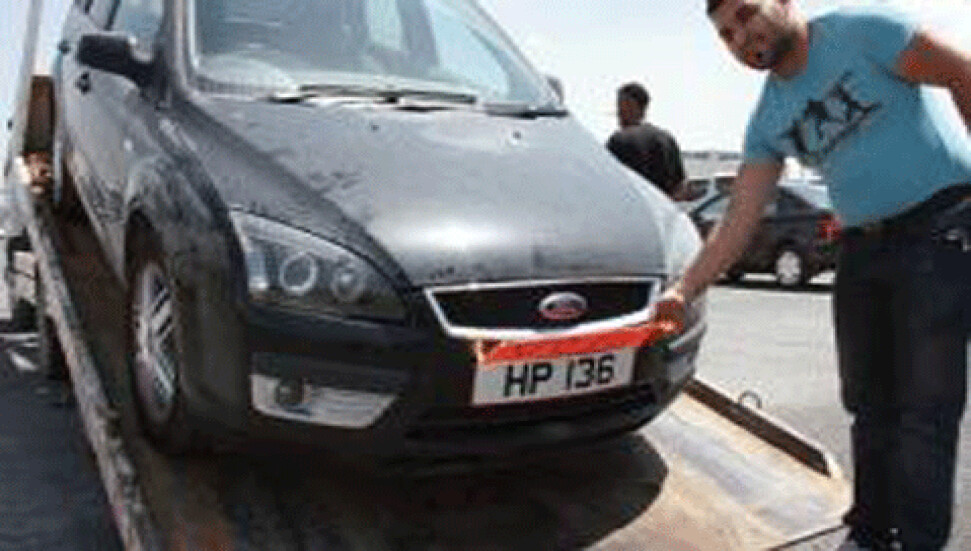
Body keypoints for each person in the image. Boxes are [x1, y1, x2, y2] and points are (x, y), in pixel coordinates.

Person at [649, 1, 971, 549]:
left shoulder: (864, 33)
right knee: (867, 406)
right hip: (861, 248)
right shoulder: (769, 118)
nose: (741, 37)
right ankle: (869, 533)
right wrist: (685, 289)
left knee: (925, 411)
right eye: (726, 34)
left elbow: (962, 72)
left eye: (747, 14)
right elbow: (737, 222)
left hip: (938, 229)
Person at [606, 82, 688, 199]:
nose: (618, 113)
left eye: (621, 107)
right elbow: (680, 186)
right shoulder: (667, 139)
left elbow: (608, 182)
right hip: (662, 207)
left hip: (632, 206)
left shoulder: (618, 140)